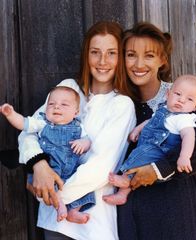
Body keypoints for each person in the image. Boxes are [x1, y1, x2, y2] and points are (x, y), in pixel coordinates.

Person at [18, 21, 136, 240]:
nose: (103, 61)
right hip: (54, 221)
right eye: (95, 52)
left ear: (121, 57)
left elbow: (101, 169)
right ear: (86, 55)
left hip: (91, 222)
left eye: (111, 53)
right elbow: (29, 131)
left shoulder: (122, 105)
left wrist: (50, 194)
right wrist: (39, 165)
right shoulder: (68, 88)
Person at [117, 22, 196, 240]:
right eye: (130, 55)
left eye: (148, 55)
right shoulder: (121, 101)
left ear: (162, 61)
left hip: (179, 204)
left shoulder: (179, 96)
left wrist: (159, 169)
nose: (138, 64)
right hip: (138, 208)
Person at [103, 74, 196, 205]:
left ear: (195, 106)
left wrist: (184, 156)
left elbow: (189, 137)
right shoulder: (164, 109)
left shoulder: (184, 119)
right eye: (178, 94)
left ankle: (125, 179)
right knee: (138, 157)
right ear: (168, 94)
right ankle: (122, 194)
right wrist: (137, 129)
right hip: (149, 146)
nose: (181, 100)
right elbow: (150, 121)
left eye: (189, 99)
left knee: (139, 157)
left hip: (160, 151)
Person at [0, 86, 93, 223]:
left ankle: (73, 211)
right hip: (49, 166)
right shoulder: (42, 123)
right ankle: (60, 206)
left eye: (64, 104)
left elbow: (88, 141)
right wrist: (11, 115)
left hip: (70, 170)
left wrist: (83, 144)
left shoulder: (79, 127)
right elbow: (24, 124)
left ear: (76, 112)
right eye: (51, 104)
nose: (56, 107)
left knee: (86, 189)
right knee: (51, 185)